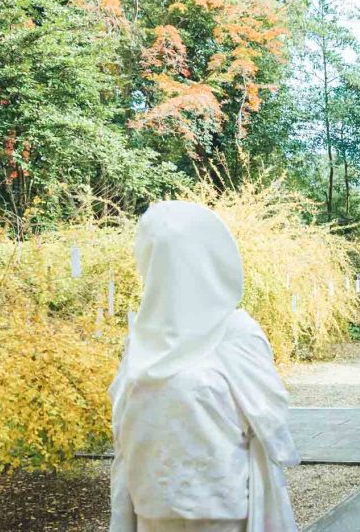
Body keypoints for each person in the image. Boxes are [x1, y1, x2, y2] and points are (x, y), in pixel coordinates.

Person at [109, 201, 299, 532]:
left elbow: (271, 417)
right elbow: (125, 427)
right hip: (151, 509)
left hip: (219, 512)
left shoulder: (235, 332)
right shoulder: (143, 337)